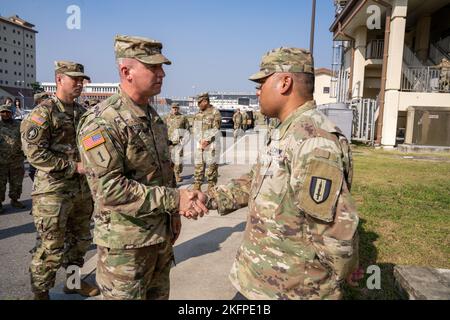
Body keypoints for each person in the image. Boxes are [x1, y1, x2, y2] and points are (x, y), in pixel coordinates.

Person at [206, 47, 360, 300]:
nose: (257, 91)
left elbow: (335, 232)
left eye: (262, 83)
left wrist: (338, 277)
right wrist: (209, 198)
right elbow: (255, 181)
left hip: (291, 289)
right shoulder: (286, 131)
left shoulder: (314, 140)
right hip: (259, 280)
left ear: (285, 82)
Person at [77, 35, 208, 300]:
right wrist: (176, 200)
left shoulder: (154, 119)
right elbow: (109, 190)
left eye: (162, 67)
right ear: (126, 71)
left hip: (159, 241)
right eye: (153, 67)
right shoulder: (102, 121)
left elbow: (163, 172)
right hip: (126, 251)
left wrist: (174, 215)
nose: (161, 74)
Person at [20, 61, 98, 300]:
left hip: (82, 190)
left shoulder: (83, 113)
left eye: (81, 80)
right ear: (58, 80)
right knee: (50, 245)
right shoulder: (43, 112)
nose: (79, 84)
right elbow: (35, 154)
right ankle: (40, 293)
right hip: (52, 191)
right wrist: (73, 166)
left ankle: (73, 283)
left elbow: (92, 145)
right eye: (73, 79)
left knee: (80, 241)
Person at [192, 92, 221, 192]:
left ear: (205, 101)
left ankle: (211, 187)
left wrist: (207, 140)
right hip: (200, 144)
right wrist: (200, 140)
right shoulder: (198, 114)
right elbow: (195, 129)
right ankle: (197, 186)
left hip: (212, 145)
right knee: (198, 166)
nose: (198, 105)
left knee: (211, 167)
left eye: (200, 102)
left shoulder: (215, 112)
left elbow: (216, 128)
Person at [0, 104, 26, 214]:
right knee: (0, 183)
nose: (5, 114)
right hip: (1, 161)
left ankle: (14, 200)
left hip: (17, 160)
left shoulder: (19, 125)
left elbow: (25, 139)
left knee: (16, 182)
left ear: (12, 113)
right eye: (3, 112)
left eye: (7, 112)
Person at [165, 103, 190, 183]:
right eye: (173, 108)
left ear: (178, 108)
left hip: (179, 143)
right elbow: (161, 129)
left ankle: (177, 174)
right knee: (169, 160)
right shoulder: (166, 117)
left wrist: (184, 140)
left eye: (176, 108)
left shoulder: (183, 118)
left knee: (178, 160)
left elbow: (187, 130)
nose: (175, 109)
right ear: (171, 108)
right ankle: (171, 175)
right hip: (168, 142)